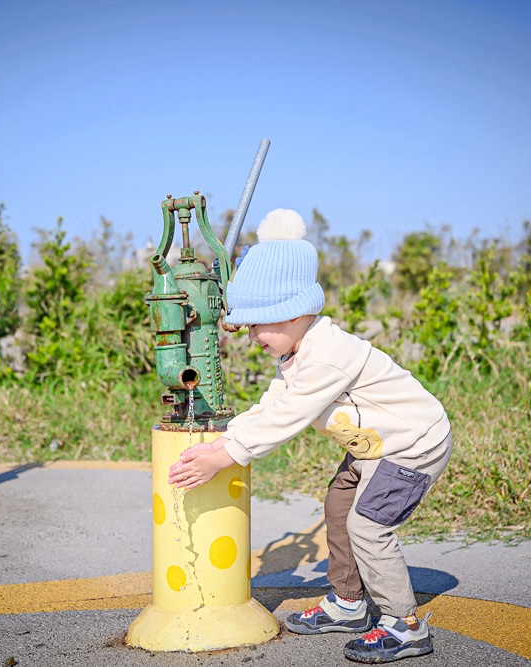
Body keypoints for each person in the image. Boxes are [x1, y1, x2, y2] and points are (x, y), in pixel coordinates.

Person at [168, 208, 454, 664]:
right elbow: (271, 406)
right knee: (338, 508)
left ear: (297, 312)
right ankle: (349, 603)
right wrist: (224, 442)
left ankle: (404, 625)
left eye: (261, 323)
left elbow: (289, 418)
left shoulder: (328, 355)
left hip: (413, 443)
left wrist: (226, 456)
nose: (253, 335)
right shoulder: (297, 354)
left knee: (369, 525)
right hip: (374, 446)